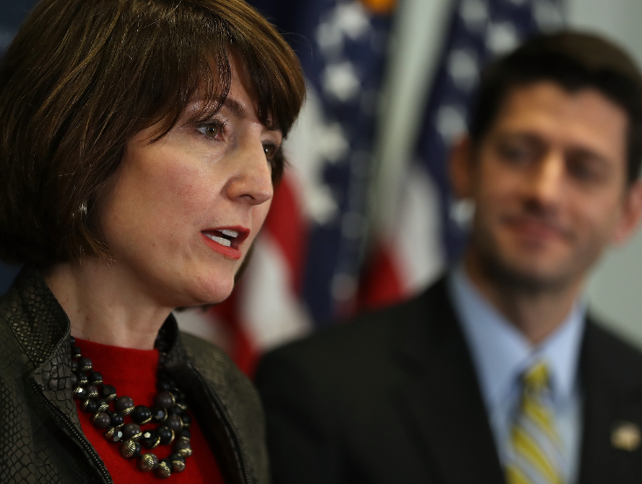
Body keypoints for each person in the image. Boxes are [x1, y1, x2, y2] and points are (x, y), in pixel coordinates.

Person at [0, 0, 304, 484]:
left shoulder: (229, 393)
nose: (260, 185)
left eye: (269, 148)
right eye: (210, 127)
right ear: (85, 145)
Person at [255, 31, 642, 484]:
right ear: (463, 167)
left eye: (584, 170)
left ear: (628, 213)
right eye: (519, 153)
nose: (545, 192)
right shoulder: (314, 389)